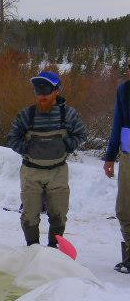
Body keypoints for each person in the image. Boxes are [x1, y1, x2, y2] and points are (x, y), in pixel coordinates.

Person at [7, 71, 87, 248]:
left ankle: (53, 249)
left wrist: (66, 145)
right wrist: (27, 148)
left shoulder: (68, 114)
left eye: (46, 90)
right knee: (29, 215)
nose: (41, 95)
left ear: (56, 91)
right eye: (38, 90)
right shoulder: (27, 115)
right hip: (31, 172)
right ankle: (32, 248)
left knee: (59, 215)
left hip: (58, 172)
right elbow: (12, 138)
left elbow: (81, 135)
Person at [103, 76, 130, 272]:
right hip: (128, 156)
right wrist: (110, 156)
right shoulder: (124, 90)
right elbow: (117, 124)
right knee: (124, 210)